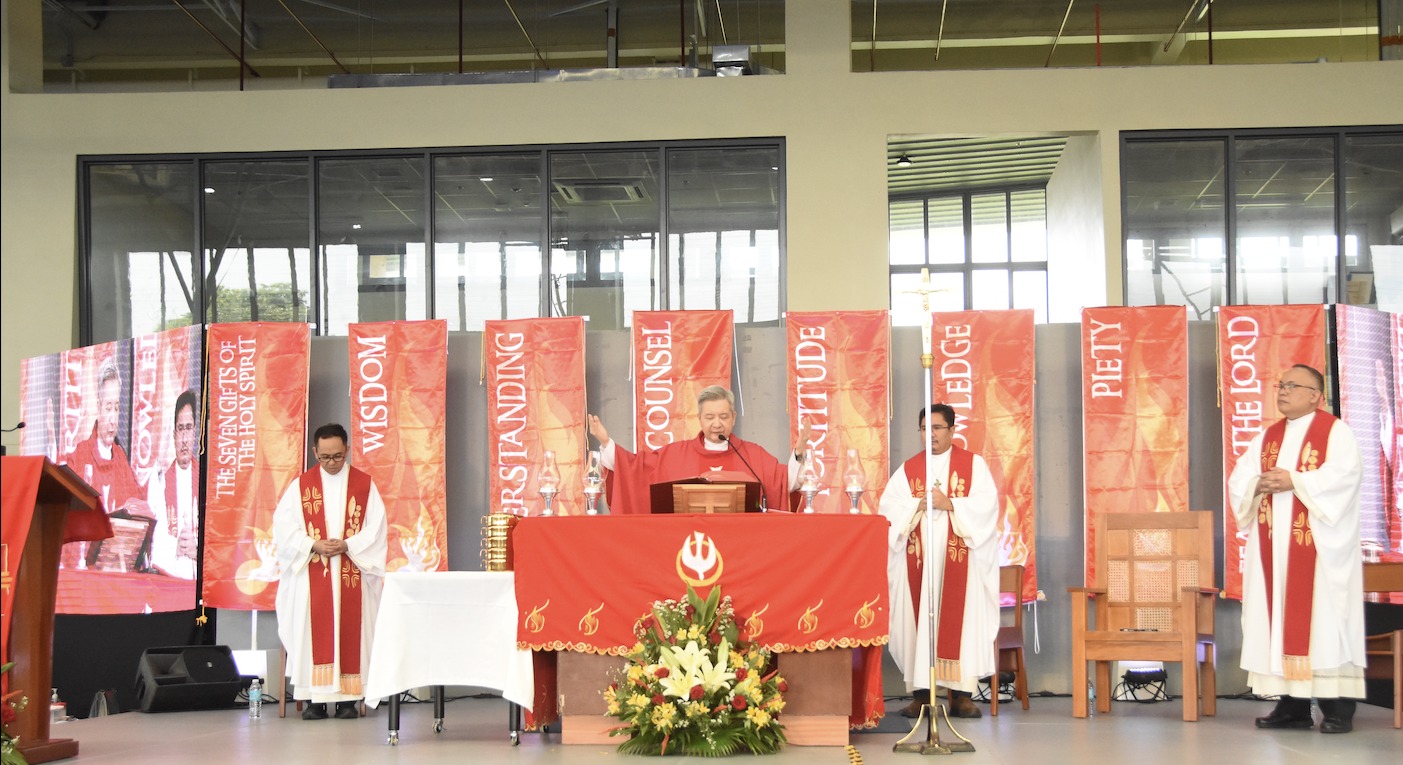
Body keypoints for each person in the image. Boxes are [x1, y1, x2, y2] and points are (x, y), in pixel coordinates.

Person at [1227, 364, 1366, 734]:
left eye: (1292, 385)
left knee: (1324, 621)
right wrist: (1257, 485)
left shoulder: (1335, 432)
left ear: (1316, 396)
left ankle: (1338, 709)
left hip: (1320, 549)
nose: (1283, 390)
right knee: (1279, 621)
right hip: (1274, 548)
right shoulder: (1267, 437)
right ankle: (1292, 707)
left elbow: (1346, 477)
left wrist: (1296, 480)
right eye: (1280, 384)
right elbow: (1239, 478)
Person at [878, 403, 999, 719]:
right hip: (918, 562)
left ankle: (960, 697)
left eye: (937, 428)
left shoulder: (974, 466)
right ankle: (921, 695)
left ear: (952, 429)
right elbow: (888, 509)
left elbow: (987, 507)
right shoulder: (908, 470)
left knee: (961, 623)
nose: (929, 434)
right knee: (918, 622)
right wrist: (914, 506)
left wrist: (952, 504)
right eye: (924, 428)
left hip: (959, 561)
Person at [273, 423, 388, 721]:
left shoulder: (364, 485)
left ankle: (350, 699)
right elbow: (284, 531)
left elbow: (376, 531)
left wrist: (348, 544)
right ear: (315, 452)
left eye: (337, 456)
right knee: (311, 629)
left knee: (352, 627)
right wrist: (313, 544)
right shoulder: (300, 487)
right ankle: (315, 699)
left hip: (352, 569)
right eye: (325, 457)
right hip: (313, 573)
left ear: (347, 450)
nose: (332, 463)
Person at [587, 385, 812, 514]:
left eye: (723, 417)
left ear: (733, 418)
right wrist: (607, 442)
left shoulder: (751, 455)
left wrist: (799, 452)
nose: (717, 423)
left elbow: (785, 483)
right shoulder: (674, 455)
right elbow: (634, 468)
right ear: (700, 419)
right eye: (710, 417)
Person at [145, 389, 200, 578]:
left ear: (195, 432)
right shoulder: (161, 481)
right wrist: (175, 547)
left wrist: (198, 549)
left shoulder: (205, 481)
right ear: (174, 433)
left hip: (198, 585)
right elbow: (154, 541)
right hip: (170, 580)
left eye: (189, 428)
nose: (185, 439)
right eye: (181, 429)